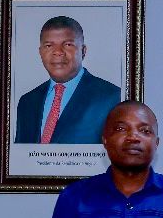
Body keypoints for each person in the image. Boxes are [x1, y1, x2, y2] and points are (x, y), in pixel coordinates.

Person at [15, 16, 122, 145]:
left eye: (67, 44)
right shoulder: (27, 102)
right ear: (40, 52)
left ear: (83, 51)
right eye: (49, 45)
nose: (58, 52)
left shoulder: (112, 98)